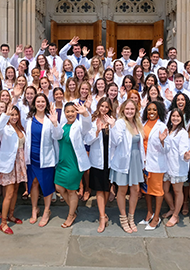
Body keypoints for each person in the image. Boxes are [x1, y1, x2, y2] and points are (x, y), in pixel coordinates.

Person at [52, 102, 92, 228]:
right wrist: (54, 123)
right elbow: (57, 136)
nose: (70, 114)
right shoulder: (63, 126)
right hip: (63, 162)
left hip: (74, 163)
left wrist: (85, 113)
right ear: (64, 113)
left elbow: (87, 126)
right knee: (58, 186)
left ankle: (70, 215)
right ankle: (73, 208)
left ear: (76, 113)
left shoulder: (79, 126)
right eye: (68, 111)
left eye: (72, 111)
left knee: (71, 190)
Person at [110, 99, 145, 233]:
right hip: (123, 160)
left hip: (135, 160)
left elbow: (139, 145)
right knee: (122, 190)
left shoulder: (137, 123)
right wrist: (113, 126)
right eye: (127, 109)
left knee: (135, 190)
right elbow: (116, 141)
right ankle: (123, 218)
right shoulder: (120, 123)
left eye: (132, 109)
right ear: (123, 110)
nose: (130, 111)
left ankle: (131, 217)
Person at [25, 93, 58, 227]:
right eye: (38, 101)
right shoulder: (29, 119)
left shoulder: (50, 119)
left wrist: (55, 123)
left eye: (42, 101)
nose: (40, 104)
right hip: (32, 157)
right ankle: (34, 209)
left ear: (46, 104)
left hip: (46, 158)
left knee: (46, 185)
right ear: (34, 104)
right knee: (33, 183)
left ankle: (46, 211)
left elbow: (58, 136)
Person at [0, 104, 26, 234]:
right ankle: (3, 222)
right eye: (11, 115)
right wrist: (5, 115)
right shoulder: (4, 128)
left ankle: (11, 215)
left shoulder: (19, 128)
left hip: (19, 162)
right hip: (9, 163)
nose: (14, 117)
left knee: (16, 190)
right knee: (9, 193)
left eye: (15, 114)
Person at [86, 98, 115, 232]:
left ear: (110, 108)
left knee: (106, 188)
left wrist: (112, 126)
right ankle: (102, 216)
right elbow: (87, 140)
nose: (103, 109)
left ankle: (104, 212)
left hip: (110, 161)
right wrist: (97, 131)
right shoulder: (92, 121)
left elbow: (118, 140)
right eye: (101, 106)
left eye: (106, 107)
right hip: (97, 161)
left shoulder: (112, 121)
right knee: (99, 189)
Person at [139, 102, 169, 231]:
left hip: (156, 164)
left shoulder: (162, 126)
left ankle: (156, 218)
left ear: (159, 112)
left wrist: (162, 141)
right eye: (149, 109)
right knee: (146, 190)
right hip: (144, 163)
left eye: (154, 110)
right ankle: (149, 213)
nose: (151, 112)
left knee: (157, 191)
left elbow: (166, 149)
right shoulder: (143, 124)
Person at [162, 108, 190, 227]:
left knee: (177, 191)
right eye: (173, 116)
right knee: (164, 190)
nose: (175, 118)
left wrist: (185, 155)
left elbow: (183, 149)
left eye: (178, 116)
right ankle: (173, 209)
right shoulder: (168, 130)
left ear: (181, 118)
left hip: (178, 166)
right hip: (167, 165)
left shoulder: (182, 132)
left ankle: (175, 216)